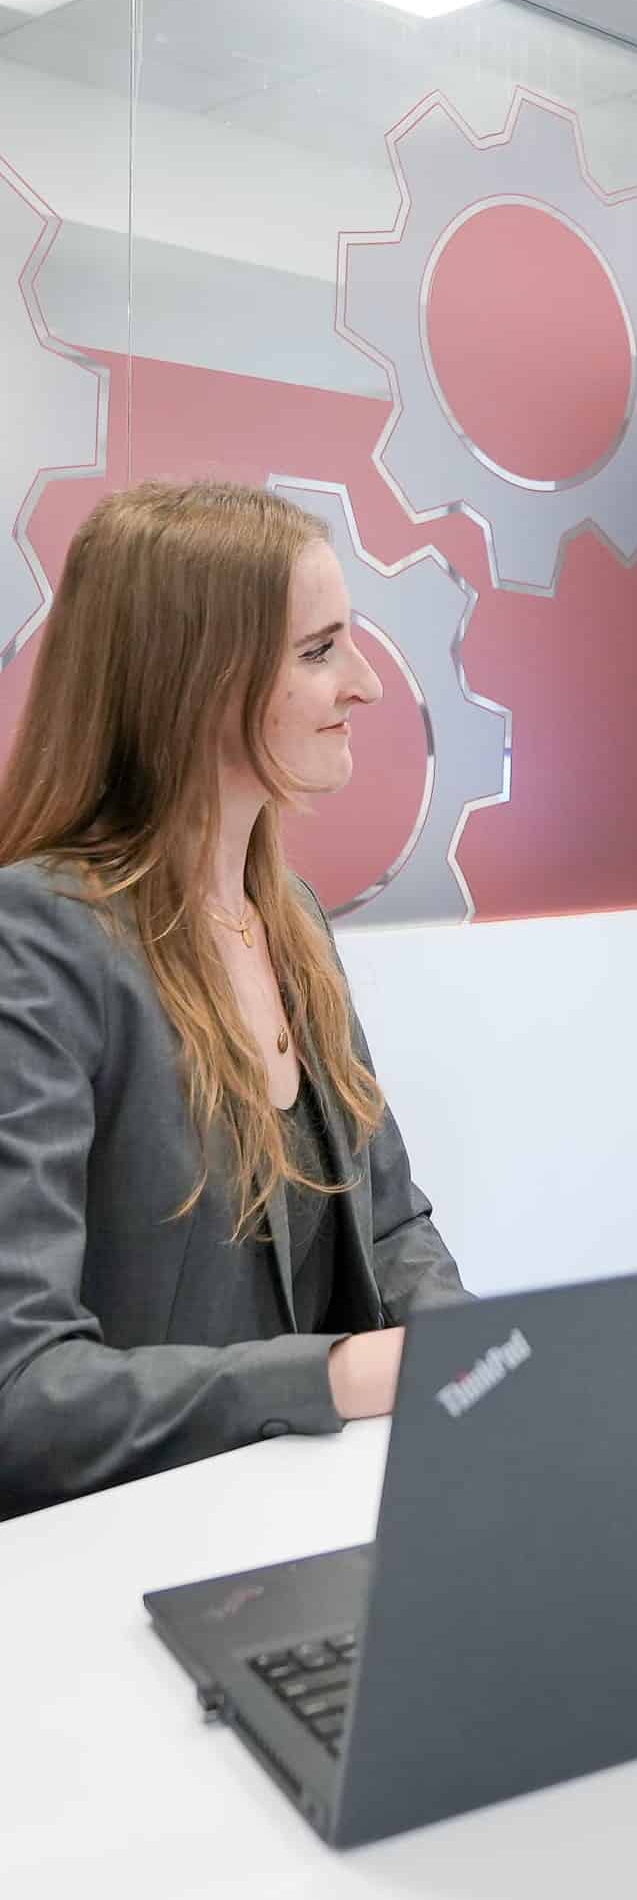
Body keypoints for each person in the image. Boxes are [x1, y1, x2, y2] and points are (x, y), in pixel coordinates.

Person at [0, 480, 468, 1519]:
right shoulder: (34, 939)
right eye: (319, 650)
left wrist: (472, 1363)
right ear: (192, 681)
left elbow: (390, 1227)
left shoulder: (286, 913)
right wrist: (341, 1374)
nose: (365, 685)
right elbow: (21, 1394)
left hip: (285, 1517)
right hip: (110, 1554)